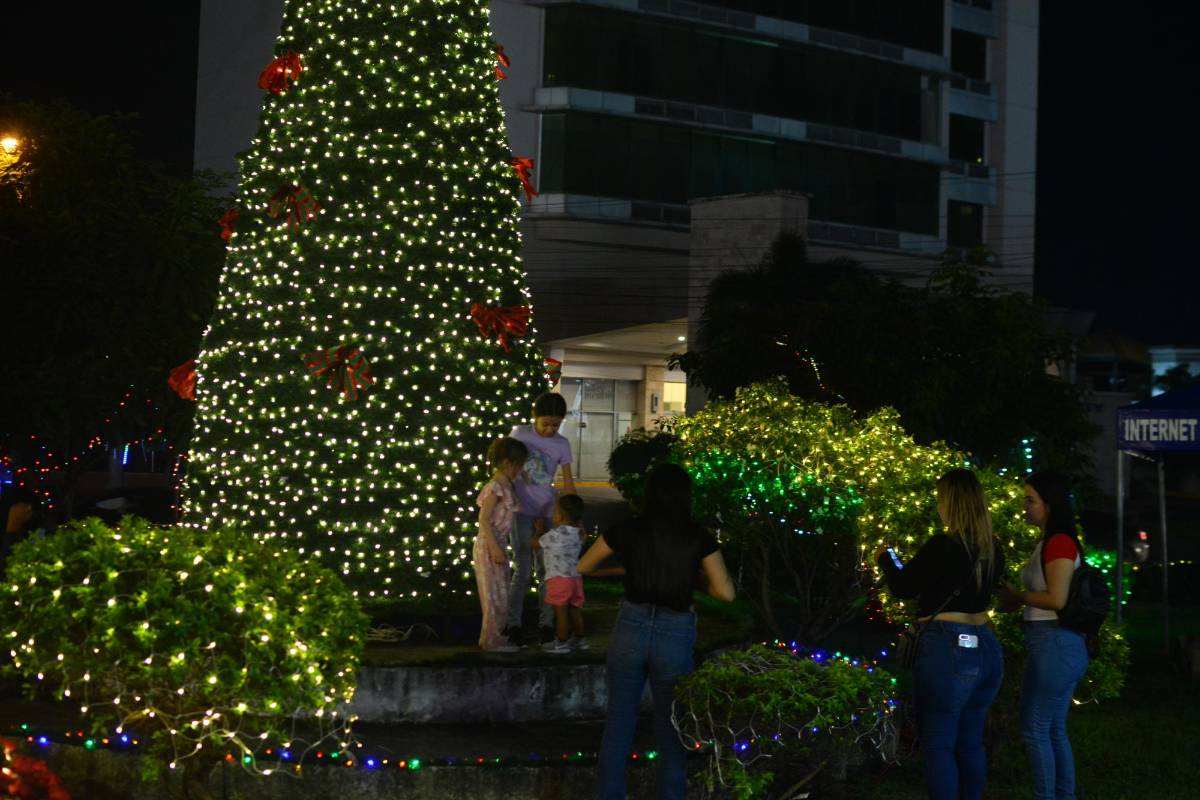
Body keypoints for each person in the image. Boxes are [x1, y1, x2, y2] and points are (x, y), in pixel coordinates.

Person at [579, 463, 735, 800]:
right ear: (685, 496)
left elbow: (584, 566)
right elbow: (726, 593)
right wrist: (691, 576)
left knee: (619, 723)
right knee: (672, 726)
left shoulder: (628, 529)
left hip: (631, 627)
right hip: (674, 632)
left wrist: (627, 568)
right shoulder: (698, 536)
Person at [876, 468, 1005, 800]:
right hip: (988, 647)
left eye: (940, 499)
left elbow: (904, 587)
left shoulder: (942, 545)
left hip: (950, 647)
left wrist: (885, 560)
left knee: (938, 743)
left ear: (951, 502)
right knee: (970, 742)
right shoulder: (993, 549)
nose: (938, 506)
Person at [997, 471, 1089, 800]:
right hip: (1052, 643)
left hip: (1055, 643)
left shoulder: (1059, 543)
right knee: (1051, 728)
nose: (1025, 507)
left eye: (1030, 500)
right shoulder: (1048, 542)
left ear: (1049, 505)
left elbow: (1056, 599)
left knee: (1035, 729)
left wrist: (1018, 597)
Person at [506, 392, 577, 646]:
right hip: (521, 510)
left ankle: (546, 624)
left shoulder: (562, 444)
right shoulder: (519, 434)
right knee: (522, 569)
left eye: (556, 424)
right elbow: (504, 468)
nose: (550, 429)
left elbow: (568, 480)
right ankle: (513, 624)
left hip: (548, 510)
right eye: (545, 423)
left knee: (549, 570)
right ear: (534, 417)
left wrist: (573, 517)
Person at [473, 437, 528, 654]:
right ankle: (491, 641)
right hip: (490, 544)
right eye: (519, 465)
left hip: (497, 543)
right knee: (493, 595)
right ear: (508, 463)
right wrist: (495, 548)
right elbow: (484, 519)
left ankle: (496, 636)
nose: (520, 470)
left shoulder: (506, 484)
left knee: (501, 592)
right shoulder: (496, 487)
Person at [532, 493, 588, 654]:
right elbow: (583, 539)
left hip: (559, 579)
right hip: (575, 579)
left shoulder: (554, 535)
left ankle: (561, 642)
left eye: (555, 511)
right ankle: (580, 639)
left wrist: (539, 530)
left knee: (561, 613)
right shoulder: (579, 533)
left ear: (561, 515)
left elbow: (534, 544)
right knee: (575, 611)